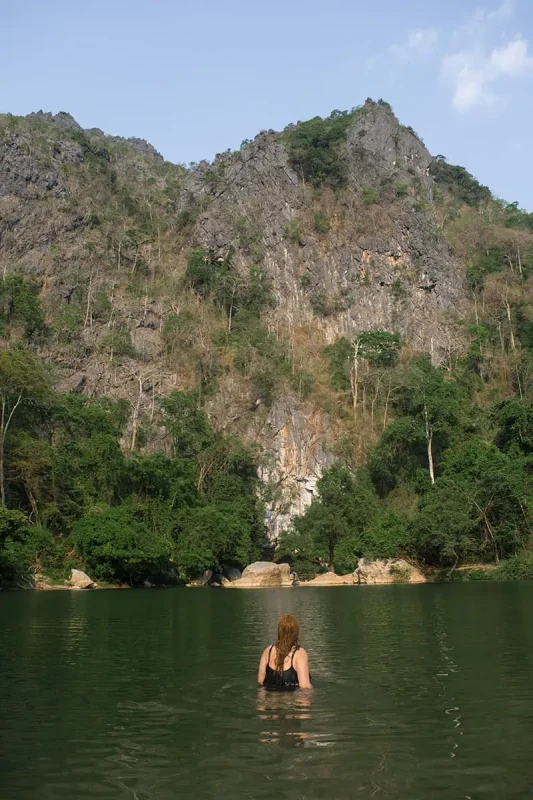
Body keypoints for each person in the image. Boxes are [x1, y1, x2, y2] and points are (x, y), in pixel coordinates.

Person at [257, 614, 312, 690]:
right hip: (290, 700)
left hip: (270, 700)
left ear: (279, 631)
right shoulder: (299, 653)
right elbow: (304, 686)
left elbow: (260, 681)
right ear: (295, 633)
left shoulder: (268, 651)